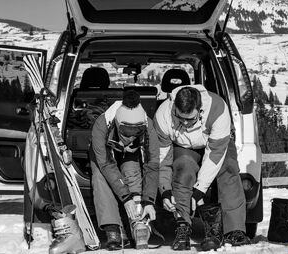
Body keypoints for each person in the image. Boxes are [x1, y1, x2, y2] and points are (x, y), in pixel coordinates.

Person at [153, 85, 250, 251]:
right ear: (174, 107)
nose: (184, 122)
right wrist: (165, 190)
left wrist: (199, 191)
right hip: (183, 146)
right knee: (183, 168)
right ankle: (183, 226)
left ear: (200, 110)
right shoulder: (163, 115)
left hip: (215, 145)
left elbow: (214, 155)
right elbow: (162, 158)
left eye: (189, 119)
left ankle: (234, 230)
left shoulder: (218, 109)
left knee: (228, 168)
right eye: (179, 117)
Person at [90, 90, 160, 250]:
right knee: (100, 177)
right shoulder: (101, 125)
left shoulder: (149, 128)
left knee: (131, 169)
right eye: (127, 132)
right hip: (104, 156)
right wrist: (125, 197)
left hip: (131, 155)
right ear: (117, 124)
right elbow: (106, 165)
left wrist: (149, 200)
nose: (132, 136)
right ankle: (112, 228)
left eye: (137, 132)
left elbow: (152, 165)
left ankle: (137, 221)